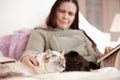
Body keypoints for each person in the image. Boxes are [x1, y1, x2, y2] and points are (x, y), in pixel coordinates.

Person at [20, 0, 112, 69]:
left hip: (94, 68)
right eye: (61, 11)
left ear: (75, 17)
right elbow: (32, 50)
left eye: (70, 14)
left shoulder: (81, 33)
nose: (65, 17)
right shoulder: (41, 32)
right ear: (54, 12)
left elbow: (97, 56)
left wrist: (108, 54)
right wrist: (27, 57)